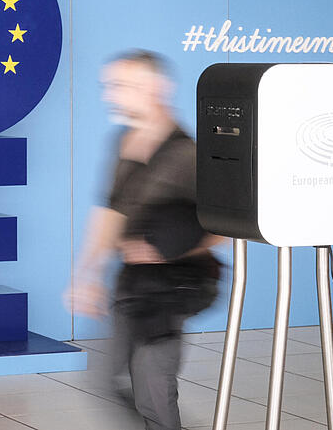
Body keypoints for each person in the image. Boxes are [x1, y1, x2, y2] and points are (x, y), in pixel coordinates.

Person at [66, 50, 222, 430]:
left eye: (123, 86)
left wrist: (168, 253)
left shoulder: (190, 155)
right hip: (133, 281)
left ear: (158, 88)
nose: (111, 95)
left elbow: (225, 229)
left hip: (177, 283)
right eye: (110, 86)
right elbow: (110, 213)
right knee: (108, 378)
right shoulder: (124, 142)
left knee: (152, 384)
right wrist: (85, 274)